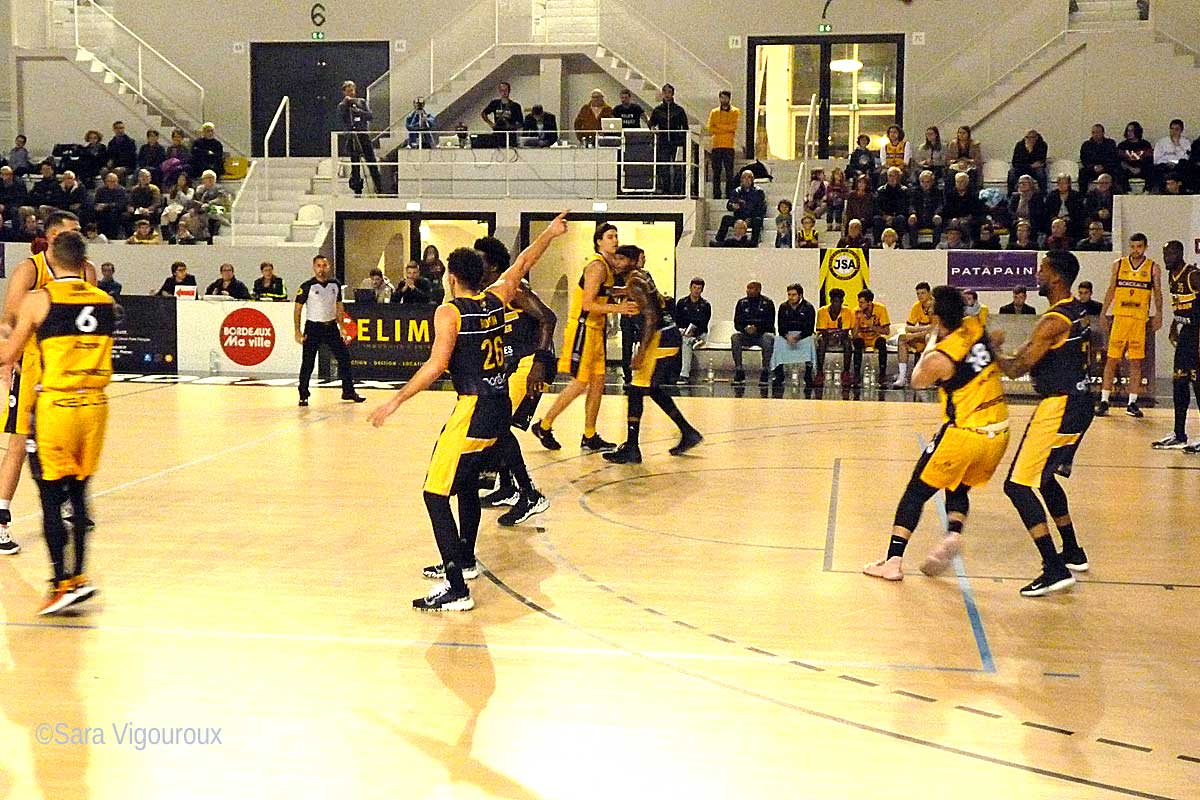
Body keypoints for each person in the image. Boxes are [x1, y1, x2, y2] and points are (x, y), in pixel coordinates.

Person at [368, 212, 570, 611]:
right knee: (465, 484)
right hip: (499, 407)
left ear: (451, 278)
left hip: (473, 409)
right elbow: (524, 261)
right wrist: (549, 232)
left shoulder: (450, 312)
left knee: (434, 494)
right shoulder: (497, 298)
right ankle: (465, 559)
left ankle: (456, 587)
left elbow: (436, 366)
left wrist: (395, 400)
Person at [863, 286, 1010, 582]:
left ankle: (892, 561)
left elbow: (917, 380)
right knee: (958, 485)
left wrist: (932, 338)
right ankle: (953, 533)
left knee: (916, 492)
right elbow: (997, 336)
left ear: (937, 316)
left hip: (965, 433)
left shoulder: (941, 356)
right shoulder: (974, 325)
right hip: (999, 432)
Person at [0, 230, 112, 613]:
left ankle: (61, 582)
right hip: (94, 406)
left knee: (50, 497)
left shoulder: (39, 299)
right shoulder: (103, 300)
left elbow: (9, 354)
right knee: (79, 495)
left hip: (57, 405)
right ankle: (78, 577)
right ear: (83, 263)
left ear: (51, 257)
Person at [997, 251, 1094, 596]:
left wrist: (987, 349)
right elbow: (1029, 352)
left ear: (1056, 276)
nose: (1037, 275)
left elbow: (1015, 368)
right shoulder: (1076, 310)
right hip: (1081, 403)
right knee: (1046, 477)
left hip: (1060, 405)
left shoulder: (1053, 321)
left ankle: (1053, 568)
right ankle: (1073, 551)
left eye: (1042, 269)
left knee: (1017, 485)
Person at [469, 236, 558, 525]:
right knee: (498, 426)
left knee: (496, 425)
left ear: (493, 266)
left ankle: (530, 494)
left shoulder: (513, 286)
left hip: (531, 363)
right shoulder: (486, 292)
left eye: (479, 259)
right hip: (512, 364)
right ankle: (508, 488)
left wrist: (540, 362)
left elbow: (548, 318)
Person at [531, 223, 637, 452]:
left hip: (596, 330)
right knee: (580, 382)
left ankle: (589, 435)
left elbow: (602, 293)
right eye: (610, 236)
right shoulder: (597, 267)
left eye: (616, 236)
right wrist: (619, 308)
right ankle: (544, 425)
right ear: (599, 241)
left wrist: (623, 292)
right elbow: (588, 304)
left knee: (598, 383)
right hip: (583, 329)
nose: (615, 240)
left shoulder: (608, 267)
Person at [604, 268, 703, 464]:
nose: (616, 262)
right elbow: (625, 291)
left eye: (620, 258)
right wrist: (606, 290)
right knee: (652, 389)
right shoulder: (640, 278)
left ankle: (632, 447)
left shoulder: (636, 281)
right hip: (666, 335)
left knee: (636, 390)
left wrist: (641, 352)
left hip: (660, 338)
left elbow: (650, 318)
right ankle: (688, 432)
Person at [1097, 232, 1163, 417]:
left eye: (1139, 247)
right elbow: (1111, 289)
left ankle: (1132, 403)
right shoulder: (1119, 264)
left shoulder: (1153, 267)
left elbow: (1157, 292)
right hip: (1120, 317)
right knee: (1111, 360)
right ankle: (1104, 401)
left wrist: (1159, 313)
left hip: (1139, 319)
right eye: (1133, 247)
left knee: (1136, 361)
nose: (1136, 250)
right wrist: (1103, 312)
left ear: (1145, 247)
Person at [294, 255, 366, 407]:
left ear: (329, 267)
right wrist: (297, 331)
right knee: (308, 362)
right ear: (314, 267)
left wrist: (342, 326)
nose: (322, 269)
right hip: (313, 327)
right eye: (319, 266)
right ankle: (303, 394)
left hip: (331, 326)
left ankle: (348, 391)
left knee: (344, 358)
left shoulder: (335, 284)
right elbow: (298, 309)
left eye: (324, 265)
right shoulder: (307, 286)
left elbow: (339, 306)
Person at [1151, 240, 1200, 451]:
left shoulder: (1193, 275)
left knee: (1198, 384)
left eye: (1169, 254)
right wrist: (1174, 325)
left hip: (1197, 335)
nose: (1166, 258)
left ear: (1179, 254)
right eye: (1164, 254)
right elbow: (1180, 306)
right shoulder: (1172, 275)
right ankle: (1179, 434)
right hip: (1186, 334)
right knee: (1179, 383)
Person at [769, 283, 817, 387]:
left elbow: (809, 328)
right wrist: (787, 336)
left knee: (811, 341)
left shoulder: (808, 307)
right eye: (789, 295)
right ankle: (779, 374)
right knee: (778, 341)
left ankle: (808, 374)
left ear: (800, 295)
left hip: (803, 336)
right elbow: (780, 327)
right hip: (787, 335)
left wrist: (798, 337)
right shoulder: (783, 307)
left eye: (794, 295)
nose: (791, 297)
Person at [338, 81, 381, 195]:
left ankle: (379, 188)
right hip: (352, 136)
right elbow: (342, 117)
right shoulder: (342, 105)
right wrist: (346, 104)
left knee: (372, 162)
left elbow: (370, 116)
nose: (351, 93)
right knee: (355, 165)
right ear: (344, 92)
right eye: (348, 91)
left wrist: (359, 112)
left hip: (363, 135)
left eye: (352, 90)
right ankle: (357, 190)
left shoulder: (362, 102)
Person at [731, 281, 775, 385]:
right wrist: (745, 329)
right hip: (746, 334)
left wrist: (757, 328)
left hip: (761, 334)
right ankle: (739, 370)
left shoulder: (767, 303)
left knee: (768, 339)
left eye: (751, 289)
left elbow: (770, 323)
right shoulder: (741, 303)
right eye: (748, 289)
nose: (748, 291)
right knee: (735, 338)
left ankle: (765, 370)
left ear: (758, 290)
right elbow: (737, 323)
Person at [649, 84, 688, 195]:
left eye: (669, 92)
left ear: (672, 94)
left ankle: (677, 190)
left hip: (676, 142)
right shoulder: (658, 110)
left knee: (677, 167)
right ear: (662, 93)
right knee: (664, 166)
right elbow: (651, 123)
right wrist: (653, 129)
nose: (667, 94)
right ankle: (666, 190)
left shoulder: (679, 110)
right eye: (665, 92)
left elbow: (685, 126)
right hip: (663, 142)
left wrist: (682, 140)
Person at [893, 282, 934, 388]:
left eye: (923, 293)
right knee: (902, 338)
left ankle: (928, 378)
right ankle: (902, 377)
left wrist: (917, 333)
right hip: (922, 336)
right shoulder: (916, 306)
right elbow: (908, 327)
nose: (920, 296)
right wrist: (923, 329)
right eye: (918, 294)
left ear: (929, 293)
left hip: (936, 338)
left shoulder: (936, 306)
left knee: (929, 337)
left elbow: (935, 328)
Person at [713, 169, 766, 246]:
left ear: (752, 179)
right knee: (726, 219)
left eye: (749, 177)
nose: (746, 180)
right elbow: (729, 205)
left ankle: (753, 243)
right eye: (744, 177)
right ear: (741, 179)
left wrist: (749, 219)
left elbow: (761, 208)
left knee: (757, 220)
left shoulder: (758, 192)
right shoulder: (736, 191)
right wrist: (732, 206)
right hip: (738, 219)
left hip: (751, 219)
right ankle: (719, 241)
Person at [674, 277, 711, 383]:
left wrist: (693, 333)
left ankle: (684, 375)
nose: (696, 290)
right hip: (684, 332)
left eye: (699, 288)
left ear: (702, 290)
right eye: (694, 287)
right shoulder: (682, 303)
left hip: (700, 334)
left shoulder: (705, 305)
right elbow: (677, 320)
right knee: (685, 340)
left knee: (686, 341)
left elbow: (704, 324)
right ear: (690, 288)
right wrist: (684, 330)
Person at [815, 288, 855, 386]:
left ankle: (846, 372)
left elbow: (845, 331)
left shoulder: (847, 311)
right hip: (826, 337)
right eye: (834, 301)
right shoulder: (822, 311)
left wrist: (834, 333)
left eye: (838, 302)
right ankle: (819, 372)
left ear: (842, 301)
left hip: (841, 337)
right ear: (831, 301)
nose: (836, 304)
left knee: (848, 342)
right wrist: (835, 332)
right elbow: (822, 331)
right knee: (821, 342)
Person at [852, 288, 890, 384]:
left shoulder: (880, 309)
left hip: (875, 337)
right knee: (857, 343)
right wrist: (857, 321)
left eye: (862, 303)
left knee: (882, 343)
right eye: (859, 302)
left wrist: (871, 326)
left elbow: (886, 331)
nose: (859, 305)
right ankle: (856, 374)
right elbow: (854, 335)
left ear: (869, 303)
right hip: (862, 337)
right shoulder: (856, 311)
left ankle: (882, 374)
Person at [707, 91, 740, 199]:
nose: (723, 100)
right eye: (721, 97)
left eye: (725, 98)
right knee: (716, 171)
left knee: (729, 172)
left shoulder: (735, 111)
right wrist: (726, 129)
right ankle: (716, 194)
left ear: (729, 99)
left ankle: (729, 194)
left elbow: (733, 127)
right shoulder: (714, 112)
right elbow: (710, 128)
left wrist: (719, 127)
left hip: (729, 146)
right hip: (716, 145)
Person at [481, 81, 523, 146]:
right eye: (502, 90)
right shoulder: (495, 103)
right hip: (498, 133)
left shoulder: (515, 106)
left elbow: (521, 123)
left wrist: (512, 127)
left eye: (506, 90)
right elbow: (484, 113)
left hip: (510, 135)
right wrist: (490, 123)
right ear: (499, 91)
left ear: (509, 91)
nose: (504, 92)